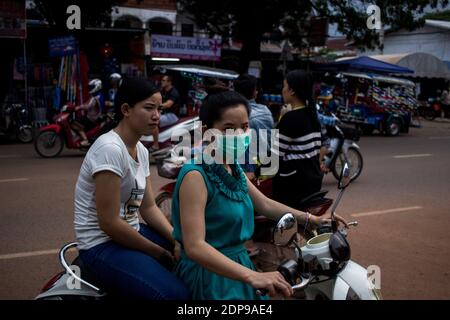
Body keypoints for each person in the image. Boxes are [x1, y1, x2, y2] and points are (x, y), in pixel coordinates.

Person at [170, 86, 347, 300]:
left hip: (239, 268)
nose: (239, 135)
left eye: (244, 127)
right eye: (229, 128)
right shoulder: (195, 175)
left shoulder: (231, 166)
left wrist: (313, 219)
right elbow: (194, 246)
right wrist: (252, 276)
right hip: (211, 278)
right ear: (207, 131)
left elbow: (264, 204)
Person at [73, 78, 189, 300]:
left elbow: (147, 207)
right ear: (126, 109)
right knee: (174, 295)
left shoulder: (141, 150)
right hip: (101, 245)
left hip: (130, 232)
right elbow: (109, 223)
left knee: (192, 255)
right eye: (148, 108)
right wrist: (159, 253)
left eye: (158, 108)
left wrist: (176, 240)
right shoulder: (110, 149)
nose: (156, 115)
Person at [272, 70, 324, 209]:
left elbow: (274, 157)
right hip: (312, 182)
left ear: (292, 91)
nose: (282, 90)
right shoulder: (311, 114)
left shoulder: (291, 118)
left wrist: (255, 173)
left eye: (284, 86)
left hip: (293, 186)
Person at [234, 74, 274, 181]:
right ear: (254, 92)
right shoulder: (265, 110)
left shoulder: (236, 115)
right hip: (265, 165)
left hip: (249, 170)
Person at [149, 75, 180, 152]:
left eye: (163, 80)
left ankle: (156, 145)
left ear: (169, 82)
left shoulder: (173, 92)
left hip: (172, 115)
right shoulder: (162, 91)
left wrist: (155, 107)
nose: (161, 82)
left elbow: (168, 104)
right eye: (162, 80)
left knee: (154, 121)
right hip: (164, 113)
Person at [71, 79, 105, 146]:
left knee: (74, 123)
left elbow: (88, 106)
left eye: (92, 87)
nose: (90, 88)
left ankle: (85, 139)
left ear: (97, 87)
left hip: (92, 118)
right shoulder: (98, 95)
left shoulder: (96, 97)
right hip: (93, 117)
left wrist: (79, 107)